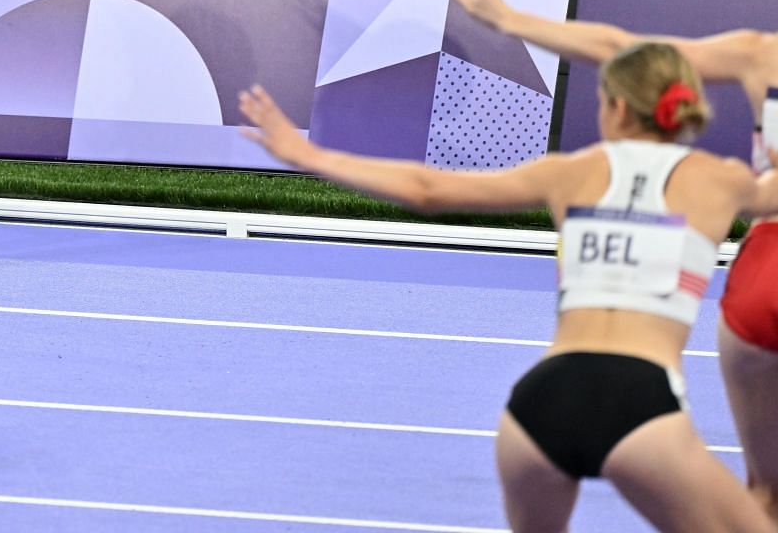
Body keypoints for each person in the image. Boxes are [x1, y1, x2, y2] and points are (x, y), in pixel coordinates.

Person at [238, 42, 777, 532]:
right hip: (639, 402)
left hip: (539, 403)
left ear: (616, 107)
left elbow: (427, 189)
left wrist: (307, 154)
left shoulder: (569, 171)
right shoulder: (722, 180)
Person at [441, 0, 778, 512]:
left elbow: (623, 46)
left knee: (766, 491)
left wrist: (511, 19)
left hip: (764, 279)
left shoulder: (761, 53)